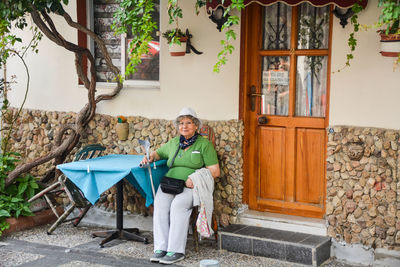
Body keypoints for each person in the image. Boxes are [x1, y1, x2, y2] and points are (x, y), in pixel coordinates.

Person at [141, 107, 220, 265]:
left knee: (178, 206)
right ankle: (161, 248)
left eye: (188, 123)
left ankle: (176, 251)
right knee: (160, 204)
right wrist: (149, 157)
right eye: (181, 123)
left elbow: (215, 171)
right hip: (170, 183)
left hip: (191, 186)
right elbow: (158, 154)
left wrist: (195, 178)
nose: (184, 126)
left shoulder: (204, 145)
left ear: (196, 125)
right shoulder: (174, 142)